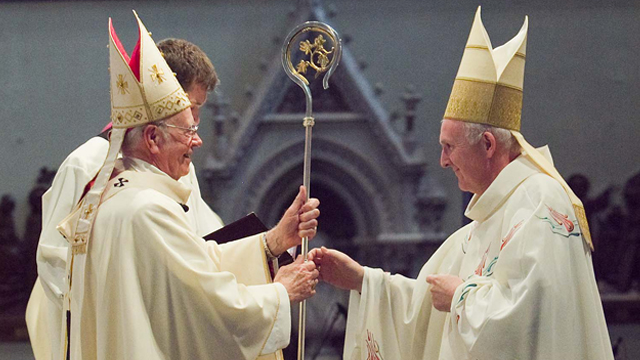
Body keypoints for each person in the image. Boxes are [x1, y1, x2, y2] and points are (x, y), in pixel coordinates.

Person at [309, 7, 613, 360]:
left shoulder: (541, 202)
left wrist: (460, 297)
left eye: (449, 147)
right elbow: (425, 302)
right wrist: (363, 280)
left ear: (487, 144)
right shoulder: (484, 223)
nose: (443, 161)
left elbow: (530, 318)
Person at [35, 12, 320, 360]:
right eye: (189, 125)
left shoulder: (126, 189)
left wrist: (271, 243)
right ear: (153, 137)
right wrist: (279, 294)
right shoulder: (124, 191)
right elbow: (204, 298)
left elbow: (192, 256)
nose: (197, 139)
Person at [26, 38, 224, 360]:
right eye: (191, 105)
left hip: (168, 323)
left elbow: (201, 231)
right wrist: (119, 310)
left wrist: (262, 247)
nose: (195, 120)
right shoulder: (87, 164)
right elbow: (54, 260)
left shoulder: (180, 166)